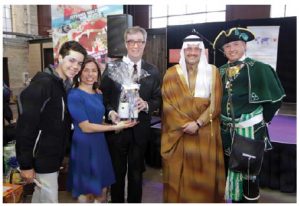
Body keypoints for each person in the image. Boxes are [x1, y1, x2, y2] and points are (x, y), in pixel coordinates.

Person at [213, 27, 286, 203]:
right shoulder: (219, 71)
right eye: (227, 46)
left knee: (249, 177)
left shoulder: (261, 68)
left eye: (236, 44)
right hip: (225, 134)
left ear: (245, 46)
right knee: (229, 170)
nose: (232, 49)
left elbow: (275, 100)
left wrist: (260, 121)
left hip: (250, 133)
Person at [15, 40, 87, 203]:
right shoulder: (43, 85)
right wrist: (25, 164)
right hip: (41, 157)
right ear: (60, 57)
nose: (76, 66)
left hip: (53, 156)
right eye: (72, 60)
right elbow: (25, 127)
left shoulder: (63, 86)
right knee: (49, 200)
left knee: (40, 198)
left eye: (79, 63)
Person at [161, 34, 225, 203]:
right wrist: (185, 125)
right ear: (183, 51)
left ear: (202, 51)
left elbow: (215, 105)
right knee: (178, 177)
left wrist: (197, 123)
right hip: (179, 134)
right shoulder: (171, 73)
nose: (192, 52)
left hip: (205, 136)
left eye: (197, 49)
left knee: (203, 179)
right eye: (188, 48)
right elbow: (168, 105)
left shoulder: (213, 72)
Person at [101, 26, 161, 203]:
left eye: (139, 42)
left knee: (136, 174)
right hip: (117, 130)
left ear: (145, 44)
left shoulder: (152, 71)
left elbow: (158, 98)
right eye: (131, 41)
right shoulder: (112, 68)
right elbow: (103, 98)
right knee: (117, 174)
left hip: (140, 131)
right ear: (126, 44)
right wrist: (111, 112)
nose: (135, 45)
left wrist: (147, 104)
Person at [66, 56, 136, 203]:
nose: (90, 74)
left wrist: (115, 118)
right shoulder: (74, 94)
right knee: (87, 194)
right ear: (79, 73)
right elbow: (85, 127)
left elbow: (98, 121)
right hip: (84, 147)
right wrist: (115, 127)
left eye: (94, 71)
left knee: (102, 192)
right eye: (86, 70)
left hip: (100, 145)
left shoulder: (99, 94)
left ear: (98, 74)